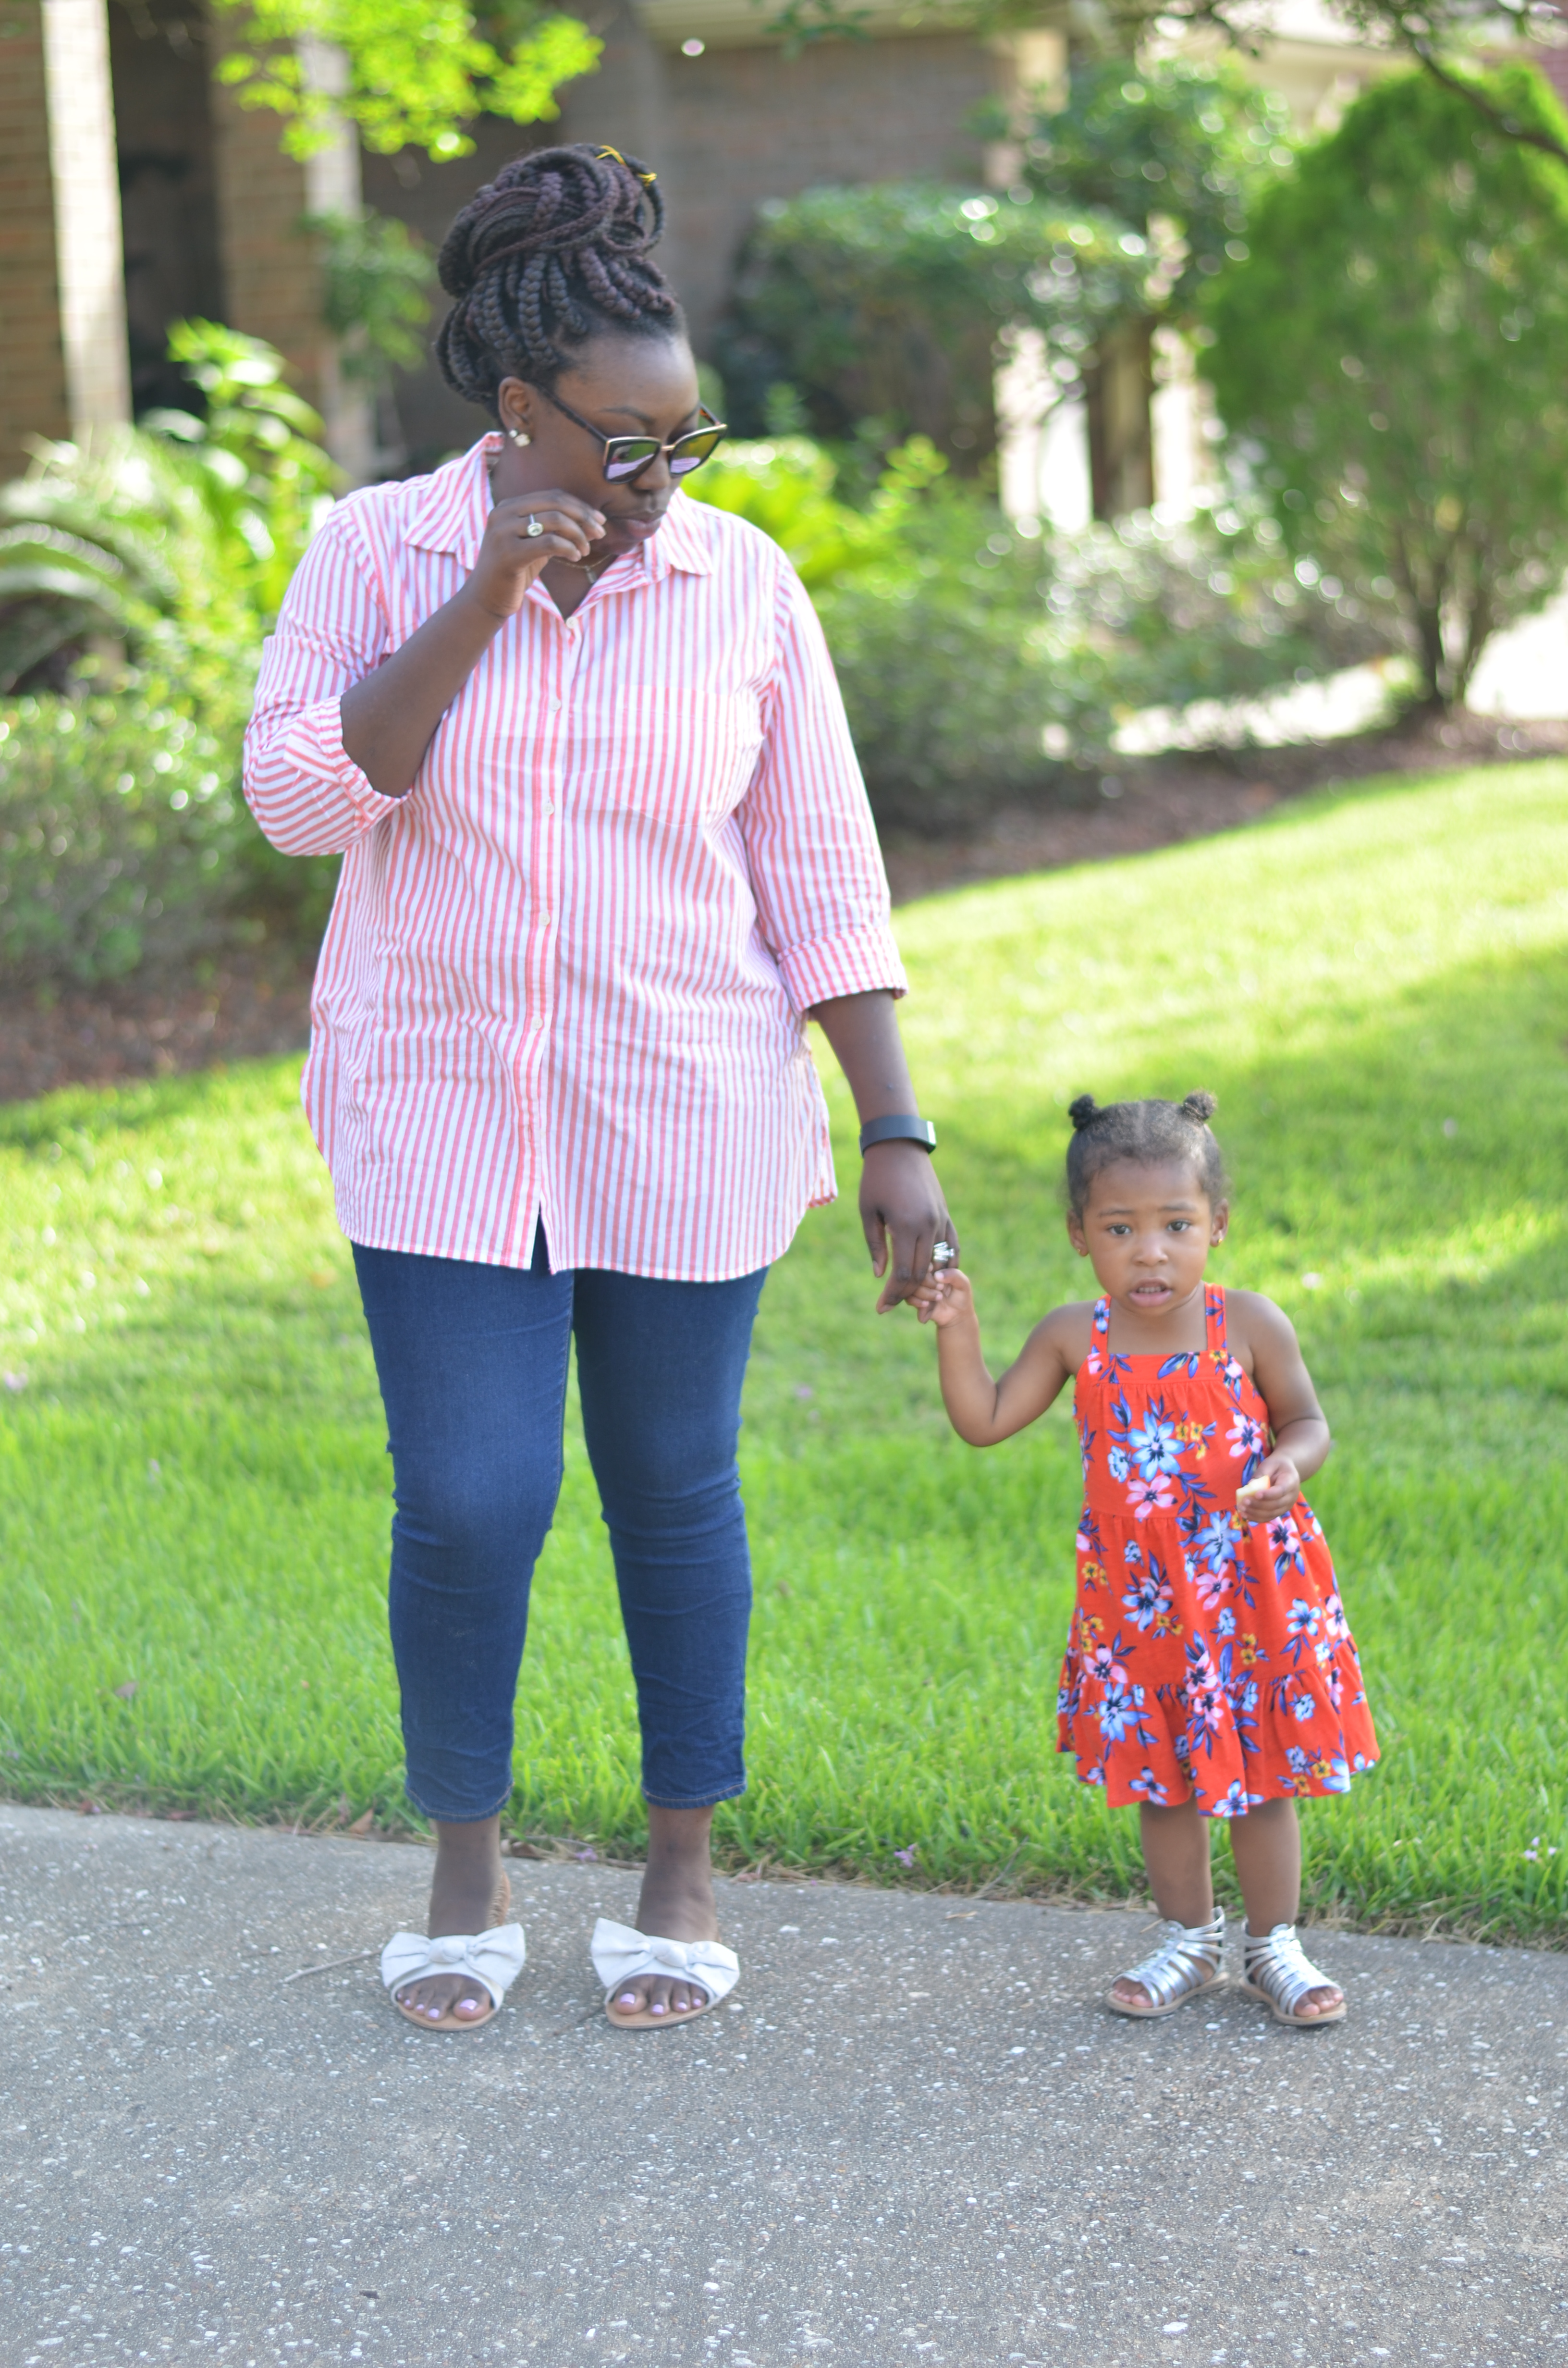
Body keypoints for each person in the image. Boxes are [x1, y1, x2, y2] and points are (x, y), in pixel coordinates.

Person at [244, 142, 955, 2035]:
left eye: (683, 443)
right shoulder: (367, 551)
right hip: (440, 1118)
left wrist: (894, 1124)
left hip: (689, 1107)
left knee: (670, 1487)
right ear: (515, 411)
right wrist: (480, 595)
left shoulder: (740, 583)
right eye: (621, 448)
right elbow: (307, 799)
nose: (658, 488)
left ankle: (678, 1864)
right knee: (471, 1498)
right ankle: (467, 1868)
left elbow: (822, 864)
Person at [910, 1091, 1377, 2027]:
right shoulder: (1071, 1337)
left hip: (1251, 1588)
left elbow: (1308, 1421)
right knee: (1165, 1776)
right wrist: (957, 1326)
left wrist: (1290, 1463)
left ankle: (1274, 1944)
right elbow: (984, 1420)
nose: (1151, 1250)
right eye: (1121, 1228)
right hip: (1143, 1604)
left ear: (1219, 1225)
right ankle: (1190, 1939)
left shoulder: (1248, 1322)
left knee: (1264, 1777)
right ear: (1080, 1233)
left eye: (1176, 1225)